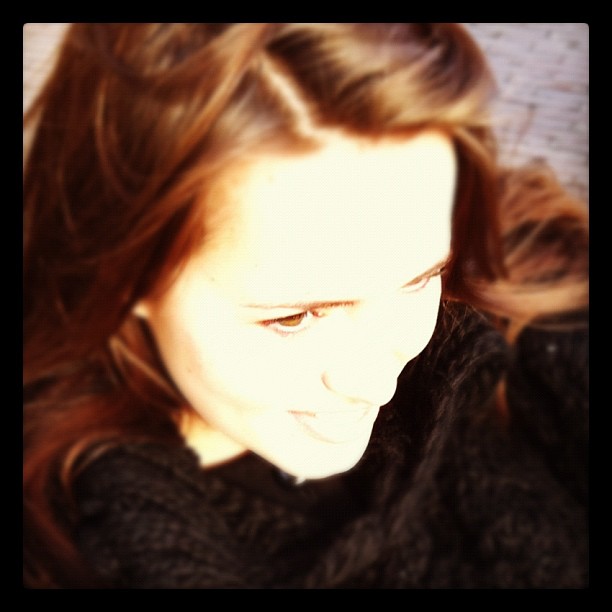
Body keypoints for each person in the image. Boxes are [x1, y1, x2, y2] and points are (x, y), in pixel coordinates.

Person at [23, 23, 588, 589]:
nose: (375, 384)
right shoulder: (85, 543)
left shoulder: (530, 296)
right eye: (294, 318)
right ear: (124, 272)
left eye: (422, 279)